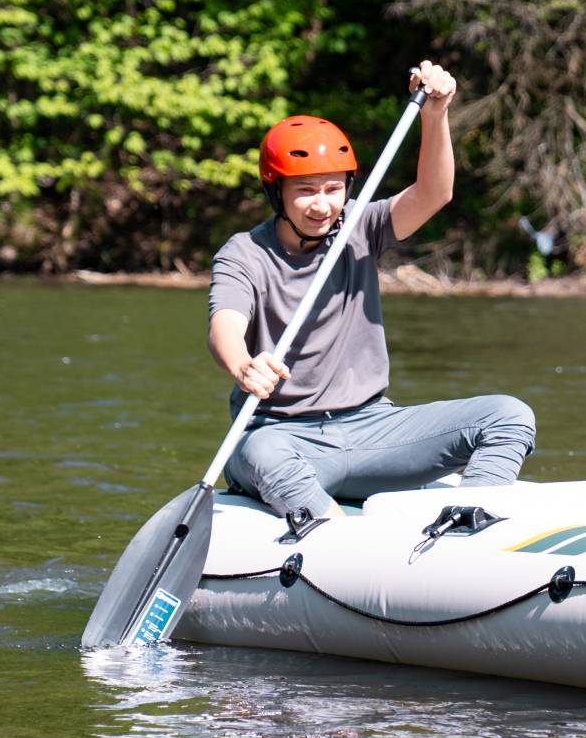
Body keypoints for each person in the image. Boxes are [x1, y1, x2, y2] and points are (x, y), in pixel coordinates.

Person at [209, 62, 535, 531]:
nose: (322, 205)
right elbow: (225, 324)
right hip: (279, 435)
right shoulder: (245, 252)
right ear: (275, 190)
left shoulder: (359, 228)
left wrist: (436, 112)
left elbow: (435, 193)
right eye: (305, 191)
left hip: (371, 429)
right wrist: (243, 364)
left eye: (333, 189)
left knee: (508, 415)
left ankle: (466, 527)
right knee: (263, 453)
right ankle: (338, 536)